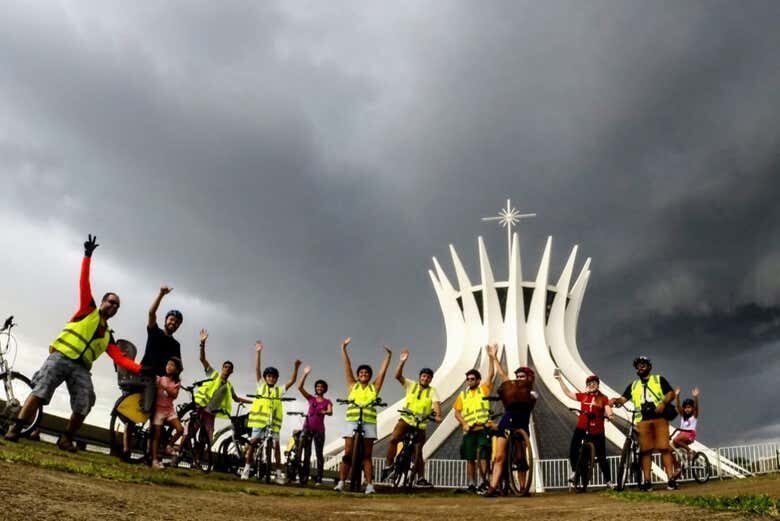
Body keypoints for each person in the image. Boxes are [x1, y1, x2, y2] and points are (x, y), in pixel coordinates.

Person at [4, 235, 142, 451]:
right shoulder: (88, 309)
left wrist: (144, 369)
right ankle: (16, 428)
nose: (113, 306)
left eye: (117, 306)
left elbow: (121, 359)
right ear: (103, 301)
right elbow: (84, 282)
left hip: (81, 368)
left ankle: (66, 438)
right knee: (40, 390)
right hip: (60, 357)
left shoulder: (108, 335)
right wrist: (87, 256)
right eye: (111, 302)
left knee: (85, 401)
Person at [609, 356, 678, 490]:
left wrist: (663, 403)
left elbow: (671, 393)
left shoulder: (658, 379)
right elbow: (623, 399)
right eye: (638, 366)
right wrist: (615, 400)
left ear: (649, 367)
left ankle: (671, 479)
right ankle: (647, 481)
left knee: (664, 448)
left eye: (643, 365)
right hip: (643, 420)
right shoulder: (633, 385)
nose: (640, 367)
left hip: (659, 418)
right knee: (645, 451)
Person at [334, 337, 392, 495]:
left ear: (369, 375)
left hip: (369, 422)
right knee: (348, 453)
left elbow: (382, 373)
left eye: (366, 373)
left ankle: (370, 485)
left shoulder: (374, 388)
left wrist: (388, 356)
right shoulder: (352, 385)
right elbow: (347, 367)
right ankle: (341, 482)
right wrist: (343, 349)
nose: (363, 374)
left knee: (367, 455)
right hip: (352, 421)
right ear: (358, 375)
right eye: (361, 373)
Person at [381, 347, 442, 487]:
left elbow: (436, 404)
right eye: (423, 376)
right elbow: (397, 376)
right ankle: (389, 466)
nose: (425, 378)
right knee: (393, 439)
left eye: (428, 377)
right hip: (406, 421)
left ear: (431, 379)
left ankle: (420, 478)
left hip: (420, 425)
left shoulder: (432, 391)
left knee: (418, 453)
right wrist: (402, 362)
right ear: (420, 377)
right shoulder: (411, 385)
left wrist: (438, 415)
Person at [241, 341, 300, 482]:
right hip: (259, 422)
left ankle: (278, 474)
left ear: (276, 379)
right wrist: (258, 352)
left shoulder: (279, 390)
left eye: (273, 377)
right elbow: (257, 369)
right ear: (265, 377)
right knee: (253, 443)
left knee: (276, 446)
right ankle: (246, 469)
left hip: (273, 423)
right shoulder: (261, 386)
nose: (271, 378)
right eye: (269, 376)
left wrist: (296, 368)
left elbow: (292, 381)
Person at [482, 346, 537, 497]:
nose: (519, 378)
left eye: (522, 376)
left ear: (528, 378)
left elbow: (530, 401)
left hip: (522, 423)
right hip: (508, 420)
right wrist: (494, 357)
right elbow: (502, 374)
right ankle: (493, 487)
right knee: (499, 456)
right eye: (517, 376)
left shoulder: (532, 393)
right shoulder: (512, 386)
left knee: (521, 458)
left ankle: (523, 487)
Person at [186, 329, 251, 450]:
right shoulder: (214, 375)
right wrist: (202, 343)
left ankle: (198, 457)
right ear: (222, 368)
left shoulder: (229, 386)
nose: (227, 369)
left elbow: (236, 398)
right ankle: (180, 453)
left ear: (232, 371)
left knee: (206, 438)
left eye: (229, 368)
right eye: (225, 367)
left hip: (211, 413)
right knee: (191, 431)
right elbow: (202, 359)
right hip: (201, 408)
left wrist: (252, 402)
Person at [554, 371, 614, 488]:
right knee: (574, 449)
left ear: (598, 385)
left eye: (594, 383)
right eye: (589, 383)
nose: (592, 385)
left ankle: (608, 481)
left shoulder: (603, 398)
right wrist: (560, 379)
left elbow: (608, 409)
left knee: (601, 457)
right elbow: (568, 393)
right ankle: (575, 471)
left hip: (597, 430)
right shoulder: (583, 396)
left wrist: (610, 415)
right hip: (582, 427)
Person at [453, 345, 496, 493]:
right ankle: (472, 483)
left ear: (478, 380)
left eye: (472, 379)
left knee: (483, 456)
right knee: (470, 457)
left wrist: (491, 357)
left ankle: (483, 482)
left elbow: (491, 374)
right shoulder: (463, 395)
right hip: (469, 430)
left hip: (483, 428)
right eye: (468, 379)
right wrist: (464, 423)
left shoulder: (483, 389)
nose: (470, 381)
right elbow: (456, 412)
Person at [139, 285, 183, 412]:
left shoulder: (176, 345)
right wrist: (161, 294)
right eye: (171, 319)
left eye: (177, 322)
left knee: (157, 415)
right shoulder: (155, 332)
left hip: (161, 383)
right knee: (140, 411)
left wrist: (173, 384)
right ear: (166, 320)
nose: (173, 323)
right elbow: (151, 313)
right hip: (145, 375)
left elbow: (178, 367)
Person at [297, 366, 333, 485]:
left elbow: (330, 411)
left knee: (319, 454)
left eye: (321, 387)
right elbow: (300, 387)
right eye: (317, 386)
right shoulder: (311, 399)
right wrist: (305, 374)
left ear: (325, 389)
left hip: (319, 431)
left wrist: (325, 412)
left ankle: (319, 478)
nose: (319, 388)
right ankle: (304, 477)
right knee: (306, 454)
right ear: (315, 388)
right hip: (307, 428)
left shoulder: (327, 401)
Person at [150, 357, 184, 469]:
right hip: (158, 410)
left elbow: (174, 395)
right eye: (168, 364)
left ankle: (169, 446)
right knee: (157, 436)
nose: (168, 367)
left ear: (177, 369)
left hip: (169, 410)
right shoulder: (160, 379)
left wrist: (165, 388)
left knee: (180, 429)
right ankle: (154, 461)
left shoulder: (177, 383)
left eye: (172, 365)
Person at [672, 387, 700, 459]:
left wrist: (695, 397)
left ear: (692, 408)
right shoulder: (683, 416)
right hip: (681, 434)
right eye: (685, 408)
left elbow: (696, 408)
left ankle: (690, 450)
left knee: (676, 440)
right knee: (671, 447)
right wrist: (677, 396)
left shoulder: (694, 416)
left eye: (689, 407)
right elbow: (678, 406)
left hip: (690, 434)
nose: (687, 409)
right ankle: (681, 463)